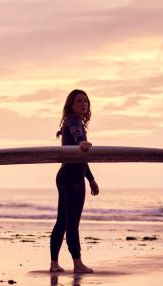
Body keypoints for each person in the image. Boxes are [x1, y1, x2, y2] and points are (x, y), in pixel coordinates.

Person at [50, 90, 98, 273]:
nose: (83, 104)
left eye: (86, 101)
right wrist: (82, 141)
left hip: (65, 175)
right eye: (79, 101)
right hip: (73, 178)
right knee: (72, 223)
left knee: (62, 222)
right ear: (71, 104)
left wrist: (91, 179)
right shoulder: (75, 122)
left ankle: (54, 263)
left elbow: (80, 158)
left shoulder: (69, 121)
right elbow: (77, 134)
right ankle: (77, 263)